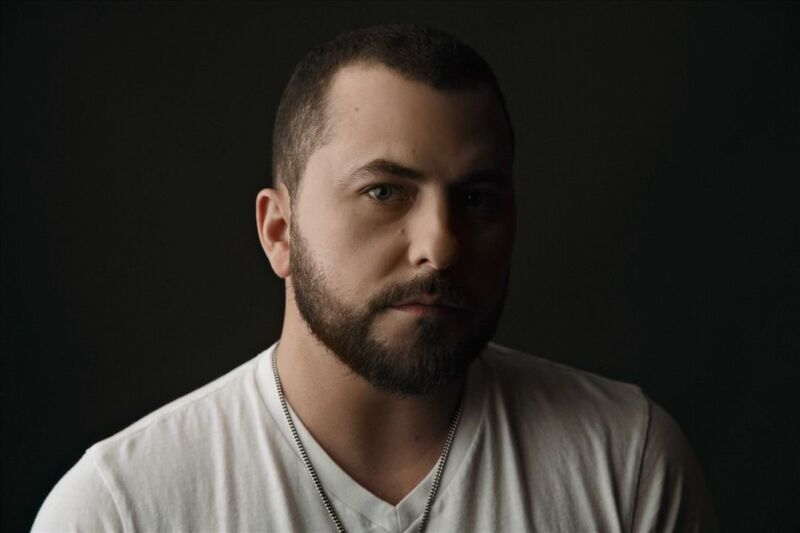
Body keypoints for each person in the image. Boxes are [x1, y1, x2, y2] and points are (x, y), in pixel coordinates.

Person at [32, 24, 716, 532]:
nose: (441, 246)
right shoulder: (119, 509)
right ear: (279, 232)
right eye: (384, 192)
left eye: (477, 198)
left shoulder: (626, 464)